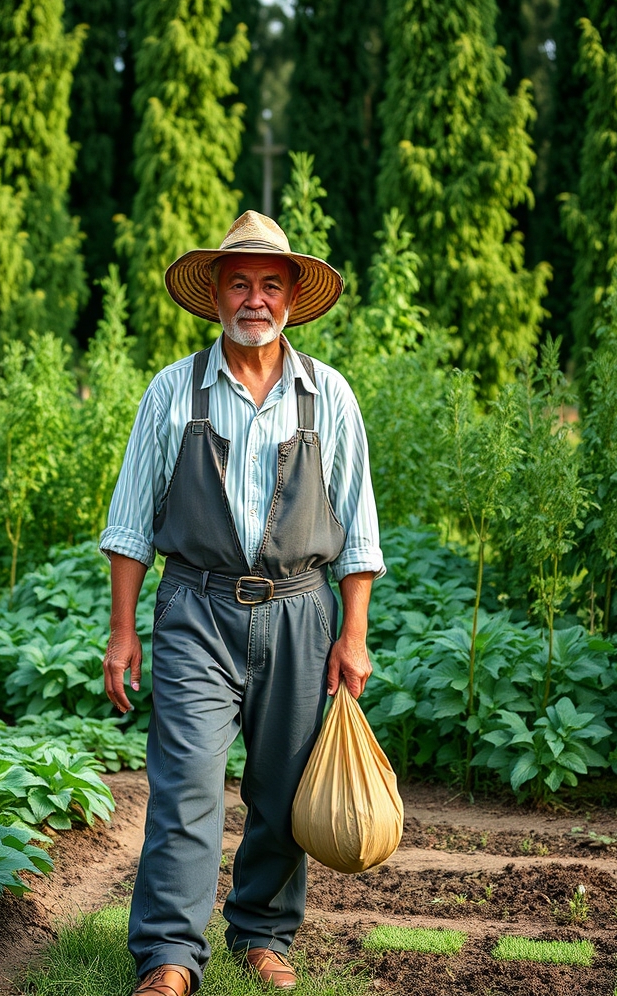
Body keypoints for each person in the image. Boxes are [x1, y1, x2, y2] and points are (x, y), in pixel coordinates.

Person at [100, 210, 384, 996]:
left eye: (269, 285)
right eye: (239, 284)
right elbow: (130, 523)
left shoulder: (327, 394)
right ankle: (168, 955)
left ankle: (262, 934)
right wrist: (122, 632)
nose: (254, 299)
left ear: (290, 297)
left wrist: (353, 634)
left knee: (284, 791)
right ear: (216, 295)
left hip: (300, 611)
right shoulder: (173, 390)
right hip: (196, 608)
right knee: (186, 783)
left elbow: (358, 528)